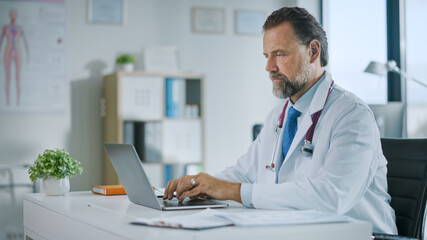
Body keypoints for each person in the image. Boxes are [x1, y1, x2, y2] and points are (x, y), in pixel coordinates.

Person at [163, 7, 397, 234]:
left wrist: (232, 190)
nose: (269, 67)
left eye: (280, 54)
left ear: (313, 51)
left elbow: (332, 196)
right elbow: (244, 173)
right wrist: (199, 184)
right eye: (267, 56)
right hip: (298, 231)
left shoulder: (351, 114)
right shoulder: (278, 116)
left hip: (363, 234)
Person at [0, 9, 29, 106]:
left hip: (18, 51)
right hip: (7, 51)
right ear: (9, 15)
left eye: (14, 14)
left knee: (18, 76)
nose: (13, 16)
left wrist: (28, 54)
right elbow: (0, 42)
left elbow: (25, 41)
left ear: (16, 15)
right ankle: (7, 101)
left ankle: (18, 101)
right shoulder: (5, 28)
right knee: (8, 76)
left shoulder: (20, 28)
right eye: (11, 14)